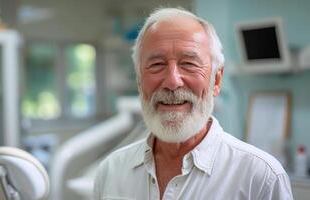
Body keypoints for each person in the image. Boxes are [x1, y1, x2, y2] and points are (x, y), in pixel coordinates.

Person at [94, 7, 293, 200]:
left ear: (216, 80)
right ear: (139, 82)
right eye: (156, 65)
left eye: (189, 64)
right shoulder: (111, 171)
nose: (172, 81)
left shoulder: (260, 178)